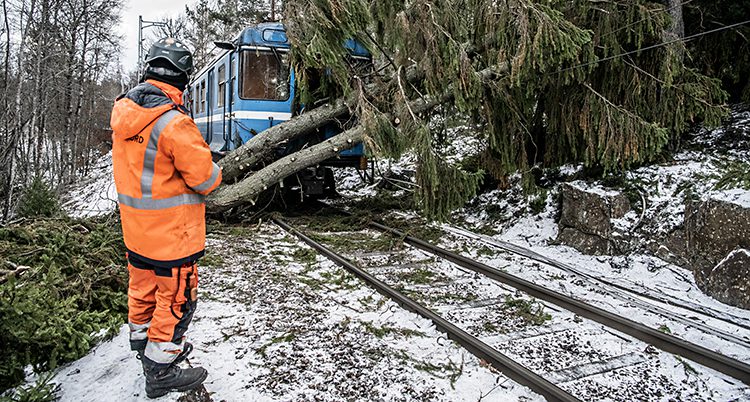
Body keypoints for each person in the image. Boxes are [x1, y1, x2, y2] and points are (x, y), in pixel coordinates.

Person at [110, 38, 221, 399]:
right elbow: (205, 179)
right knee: (177, 301)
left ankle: (143, 349)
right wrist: (213, 165)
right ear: (183, 77)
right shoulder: (174, 123)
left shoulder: (124, 116)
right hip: (173, 237)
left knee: (142, 292)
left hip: (136, 233)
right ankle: (160, 371)